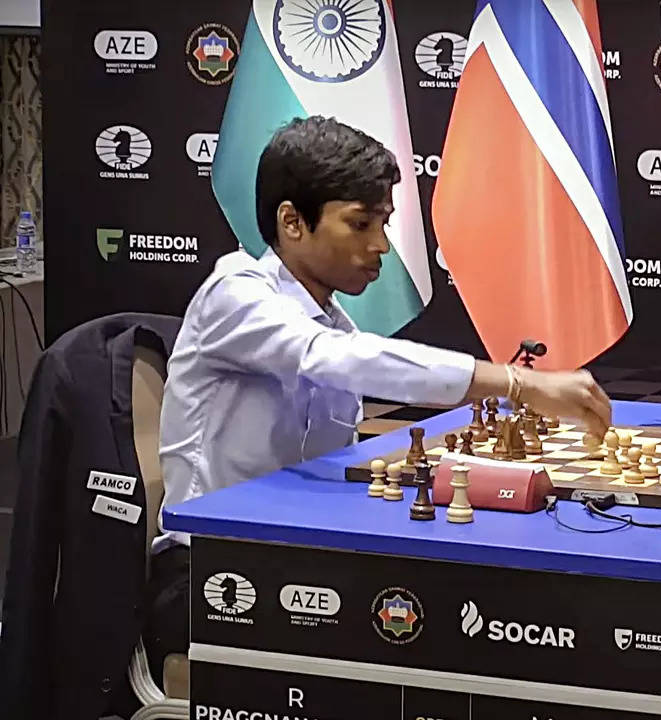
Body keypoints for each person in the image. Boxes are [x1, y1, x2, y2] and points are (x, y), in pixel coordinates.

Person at [143, 116, 613, 681]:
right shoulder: (235, 295)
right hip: (211, 570)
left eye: (384, 223)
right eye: (360, 223)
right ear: (292, 222)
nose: (381, 246)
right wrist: (519, 382)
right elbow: (337, 359)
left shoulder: (331, 318)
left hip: (299, 552)